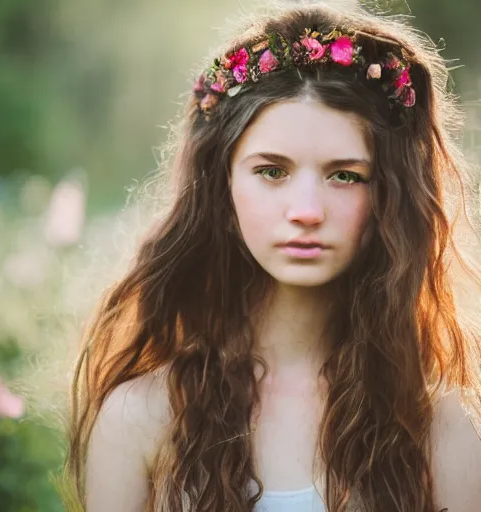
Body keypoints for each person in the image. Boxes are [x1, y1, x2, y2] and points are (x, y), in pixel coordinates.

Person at [62, 1, 481, 511]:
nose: (306, 211)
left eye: (345, 175)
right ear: (222, 185)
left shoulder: (439, 426)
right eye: (272, 171)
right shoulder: (143, 416)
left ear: (390, 198)